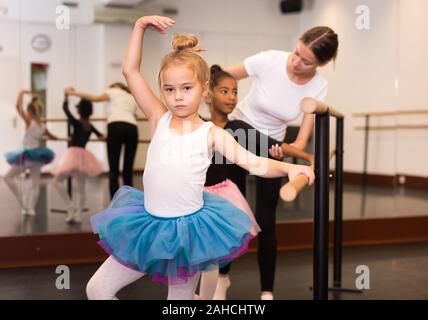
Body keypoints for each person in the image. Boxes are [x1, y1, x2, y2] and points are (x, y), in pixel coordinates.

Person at [85, 15, 314, 300]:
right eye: (169, 89)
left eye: (187, 88)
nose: (177, 97)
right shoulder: (159, 117)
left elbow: (255, 163)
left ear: (204, 89)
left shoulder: (212, 134)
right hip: (147, 225)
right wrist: (139, 26)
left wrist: (289, 169)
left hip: (186, 234)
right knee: (96, 290)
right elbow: (130, 71)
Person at [224, 26, 339, 300]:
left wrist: (288, 152)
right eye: (297, 52)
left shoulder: (318, 86)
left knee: (266, 219)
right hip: (235, 136)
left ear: (322, 64)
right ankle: (221, 277)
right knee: (228, 210)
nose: (296, 62)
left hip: (271, 148)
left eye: (306, 61)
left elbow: (300, 140)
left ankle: (267, 291)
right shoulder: (271, 59)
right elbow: (223, 78)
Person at [197, 65, 313, 300]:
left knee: (235, 235)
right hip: (201, 200)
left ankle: (249, 287)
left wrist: (308, 157)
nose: (232, 97)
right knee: (206, 249)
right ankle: (217, 281)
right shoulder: (199, 127)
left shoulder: (237, 128)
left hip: (229, 197)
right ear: (208, 94)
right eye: (224, 91)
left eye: (235, 92)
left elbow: (272, 143)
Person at [65, 82, 138, 199]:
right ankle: (129, 201)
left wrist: (72, 93)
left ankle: (115, 201)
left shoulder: (112, 91)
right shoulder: (131, 97)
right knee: (128, 169)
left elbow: (95, 98)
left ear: (115, 87)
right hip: (132, 128)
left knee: (114, 169)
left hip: (116, 126)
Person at [52, 91, 106, 224]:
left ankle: (70, 206)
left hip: (72, 155)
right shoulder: (90, 126)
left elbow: (65, 109)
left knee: (56, 181)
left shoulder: (76, 123)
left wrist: (65, 97)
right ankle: (78, 216)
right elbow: (102, 136)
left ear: (79, 110)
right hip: (83, 157)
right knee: (80, 188)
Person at [4, 90, 57, 216]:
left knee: (7, 177)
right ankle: (31, 208)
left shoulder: (30, 121)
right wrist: (63, 137)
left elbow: (18, 107)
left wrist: (21, 93)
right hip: (38, 158)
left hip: (27, 156)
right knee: (35, 183)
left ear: (30, 112)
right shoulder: (43, 125)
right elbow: (52, 136)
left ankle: (22, 201)